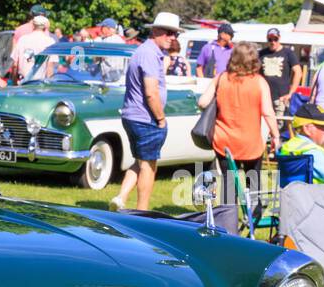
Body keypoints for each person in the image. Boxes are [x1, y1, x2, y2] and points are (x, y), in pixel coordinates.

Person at [196, 42, 280, 232]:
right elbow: (267, 111)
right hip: (251, 144)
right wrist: (276, 135)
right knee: (254, 182)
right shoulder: (259, 82)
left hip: (224, 142)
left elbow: (202, 102)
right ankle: (253, 217)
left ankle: (228, 224)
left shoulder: (222, 78)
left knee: (228, 184)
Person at [111, 12, 182, 212]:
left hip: (133, 116)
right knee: (149, 167)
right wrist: (160, 119)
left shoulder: (145, 51)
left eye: (175, 34)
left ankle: (120, 198)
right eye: (169, 33)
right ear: (156, 30)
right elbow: (151, 92)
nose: (173, 37)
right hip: (146, 118)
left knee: (140, 161)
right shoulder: (150, 54)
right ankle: (142, 212)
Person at [259, 28, 302, 120]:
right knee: (264, 123)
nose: (273, 42)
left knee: (280, 124)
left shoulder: (288, 53)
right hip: (264, 97)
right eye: (270, 39)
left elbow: (298, 72)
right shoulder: (261, 54)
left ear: (279, 38)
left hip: (281, 97)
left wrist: (291, 93)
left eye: (275, 39)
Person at [15, 14, 55, 81]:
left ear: (33, 26)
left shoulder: (22, 39)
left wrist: (14, 83)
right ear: (45, 27)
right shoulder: (50, 42)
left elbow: (15, 64)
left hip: (22, 82)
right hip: (39, 84)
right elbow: (50, 67)